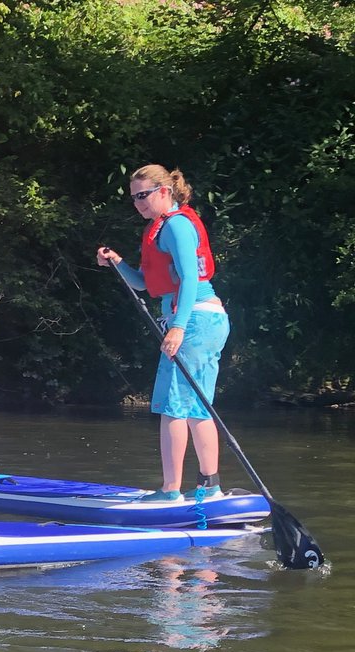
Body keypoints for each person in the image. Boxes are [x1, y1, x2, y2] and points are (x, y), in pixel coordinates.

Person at [97, 165, 230, 502]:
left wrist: (178, 327)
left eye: (143, 195)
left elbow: (190, 279)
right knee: (198, 408)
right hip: (205, 320)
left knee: (173, 406)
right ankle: (210, 488)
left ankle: (171, 491)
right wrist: (117, 262)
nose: (138, 203)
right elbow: (143, 283)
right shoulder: (162, 229)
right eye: (133, 198)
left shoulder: (176, 226)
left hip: (195, 320)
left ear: (164, 192)